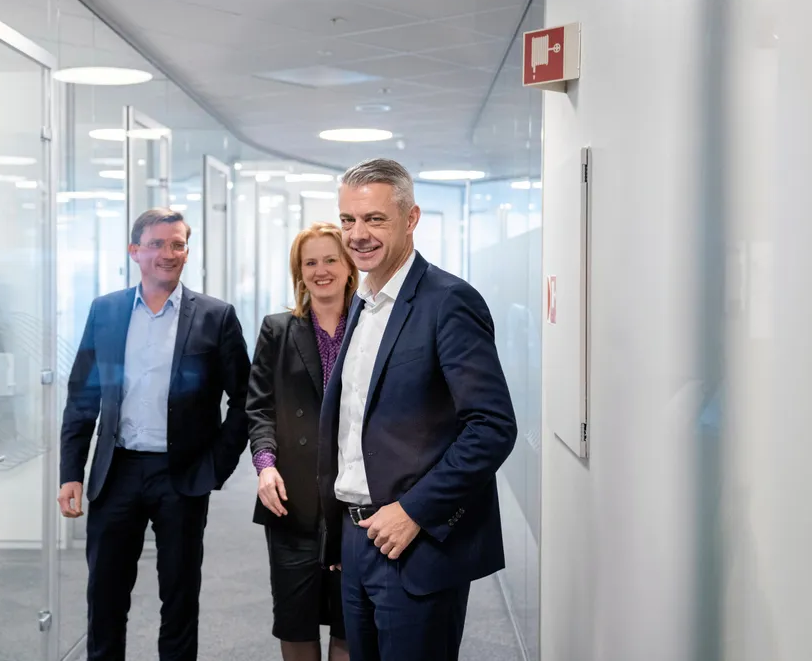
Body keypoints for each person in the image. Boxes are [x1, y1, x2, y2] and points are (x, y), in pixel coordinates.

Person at [317, 159, 517, 661]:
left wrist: (414, 512)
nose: (358, 234)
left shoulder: (448, 301)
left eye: (374, 219)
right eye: (348, 220)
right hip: (356, 538)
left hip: (416, 541)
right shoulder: (363, 300)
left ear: (411, 219)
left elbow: (491, 427)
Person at [57, 208, 250, 661]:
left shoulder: (216, 316)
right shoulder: (106, 311)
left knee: (179, 597)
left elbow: (245, 398)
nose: (168, 253)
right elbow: (82, 397)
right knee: (105, 596)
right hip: (117, 472)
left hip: (182, 475)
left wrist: (216, 464)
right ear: (135, 251)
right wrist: (71, 472)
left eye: (178, 244)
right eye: (157, 244)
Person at [246, 222, 358, 661]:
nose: (321, 270)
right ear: (299, 272)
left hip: (355, 497)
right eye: (310, 262)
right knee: (295, 618)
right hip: (291, 495)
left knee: (351, 621)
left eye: (331, 259)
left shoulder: (371, 326)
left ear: (349, 266)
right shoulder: (278, 329)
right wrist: (265, 465)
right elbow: (259, 407)